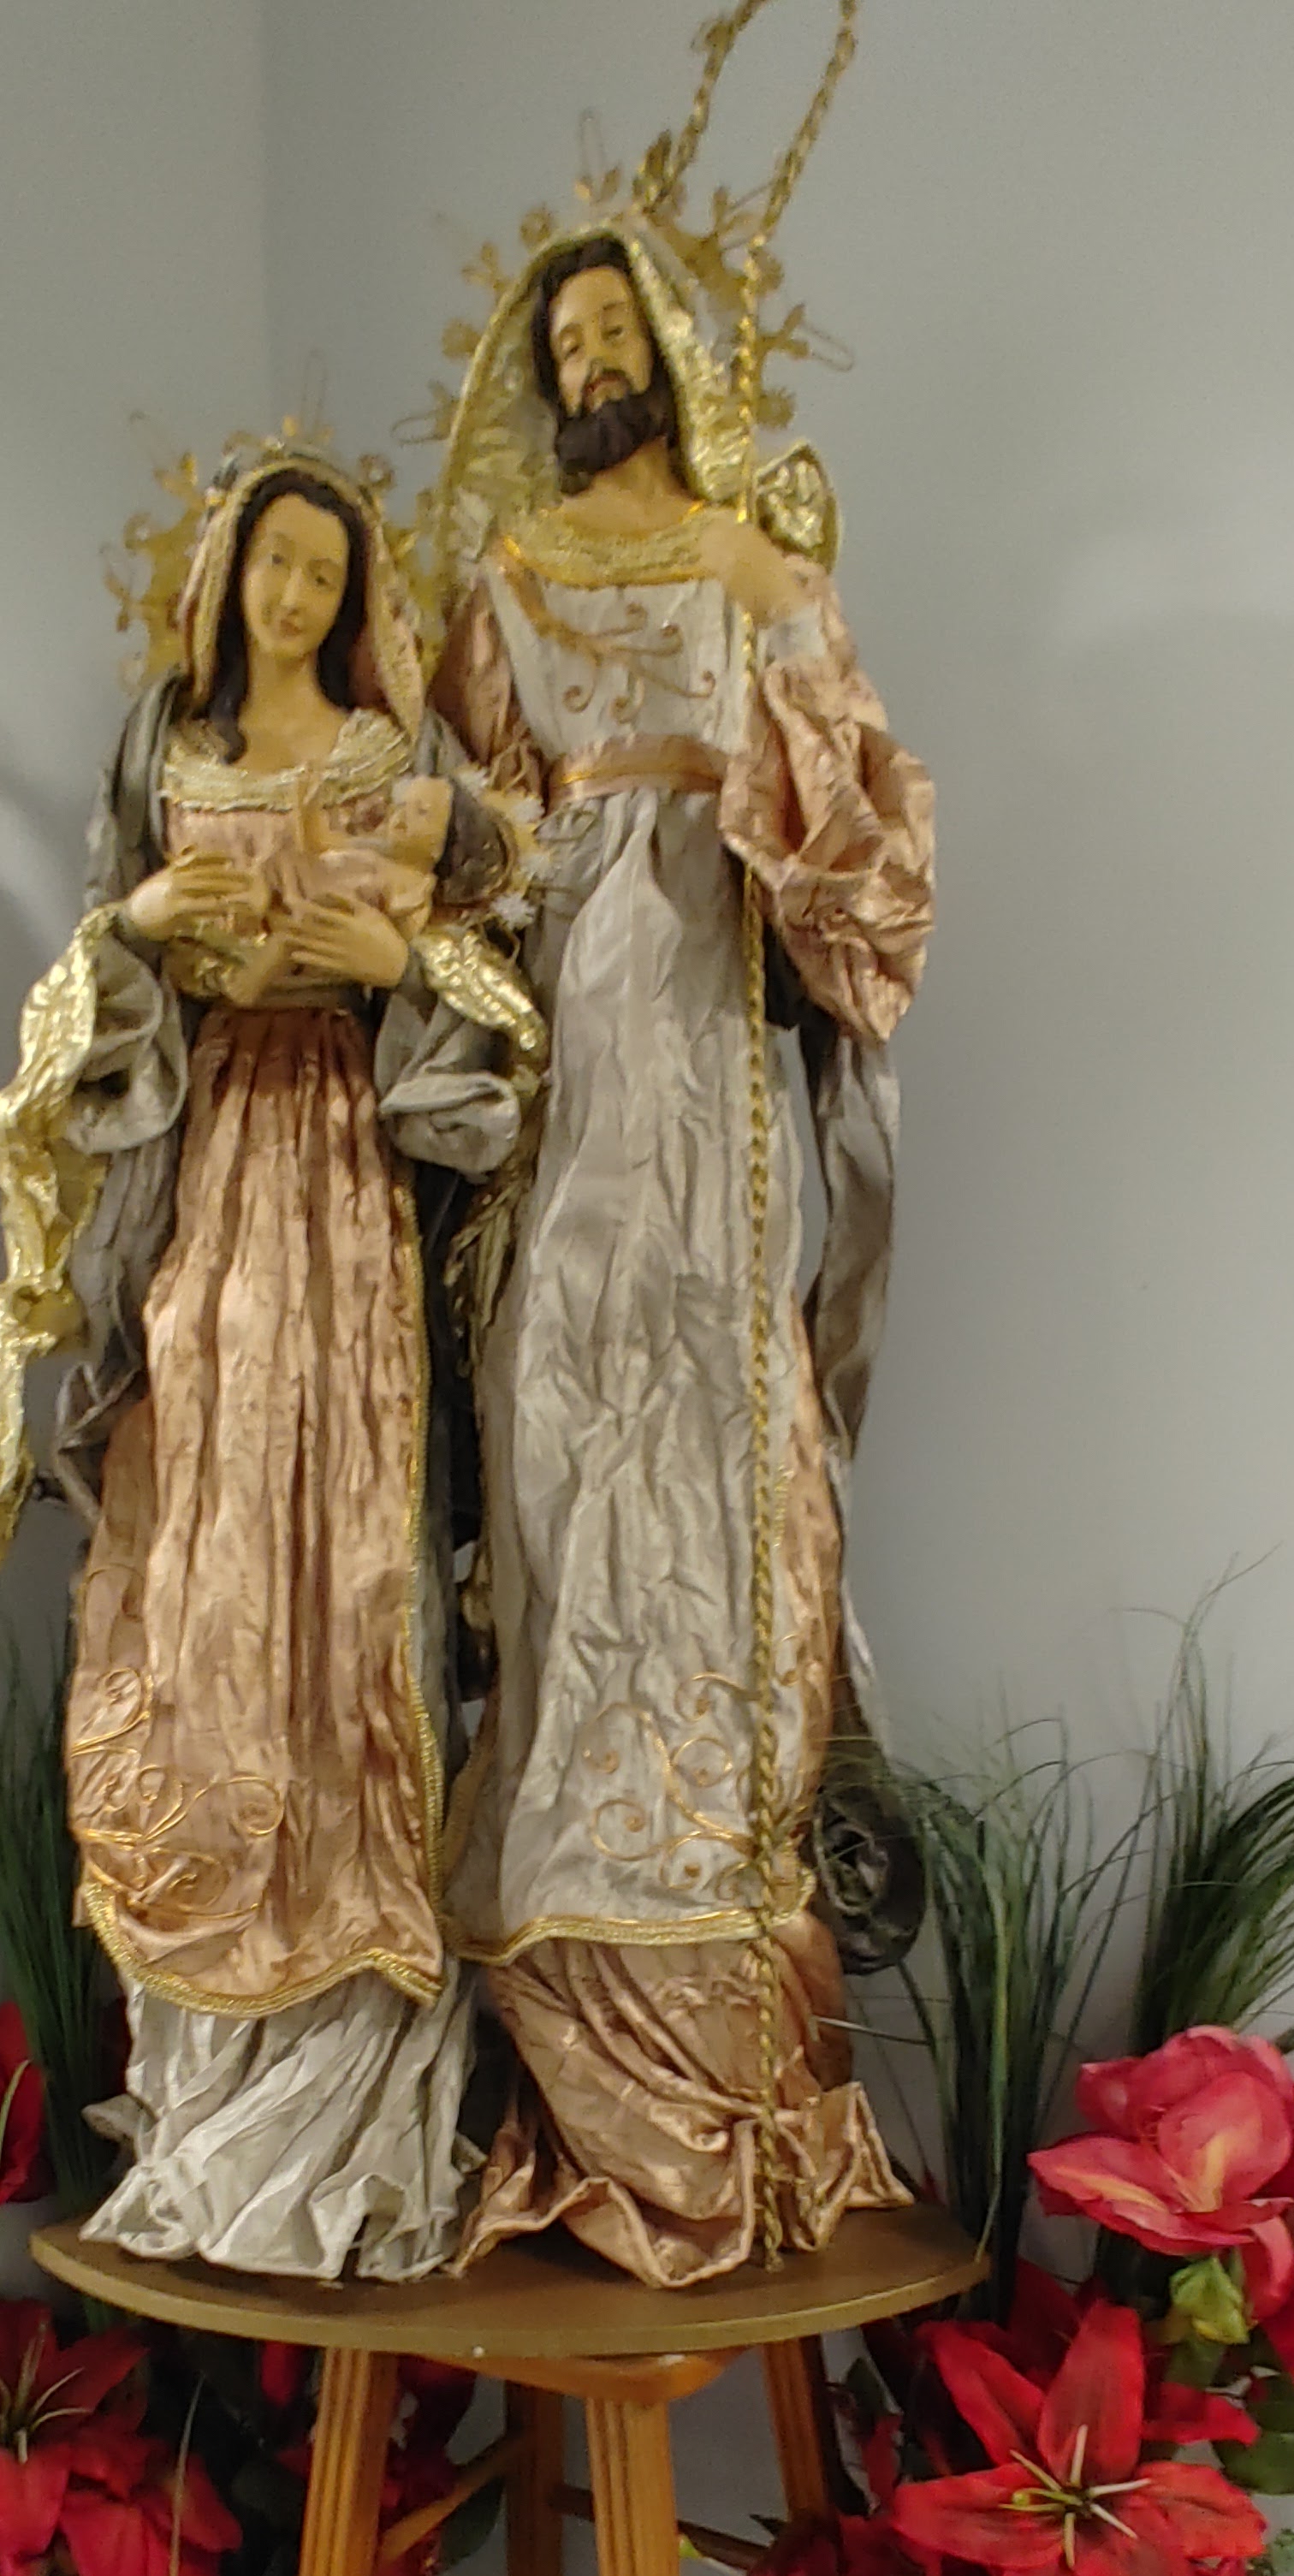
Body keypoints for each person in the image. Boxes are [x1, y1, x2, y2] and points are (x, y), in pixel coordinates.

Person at [0, 441, 535, 2277]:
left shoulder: (396, 759)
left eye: (326, 572)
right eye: (273, 562)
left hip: (345, 1170)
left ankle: (354, 2098)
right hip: (204, 1177)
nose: (295, 595)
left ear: (357, 598)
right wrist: (144, 935)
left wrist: (390, 959)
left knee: (349, 1569)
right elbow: (97, 979)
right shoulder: (164, 755)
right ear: (225, 577)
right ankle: (208, 2103)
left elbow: (494, 987)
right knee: (195, 1574)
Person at [424, 222, 935, 2283]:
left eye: (614, 327)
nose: (591, 360)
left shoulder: (746, 564)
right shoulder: (509, 585)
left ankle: (715, 1949)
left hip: (709, 1022)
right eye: (563, 341)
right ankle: (567, 1920)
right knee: (557, 1432)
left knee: (721, 1456)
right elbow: (462, 821)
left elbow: (858, 834)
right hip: (566, 1029)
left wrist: (782, 649)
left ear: (669, 348)